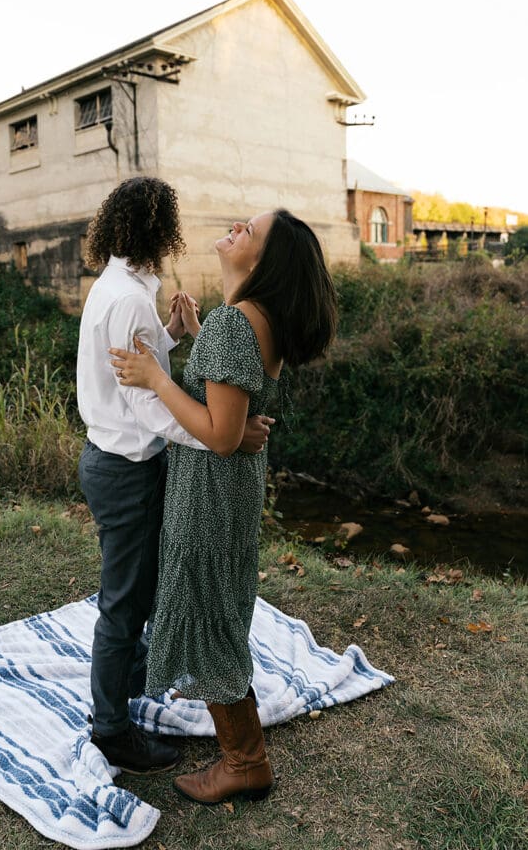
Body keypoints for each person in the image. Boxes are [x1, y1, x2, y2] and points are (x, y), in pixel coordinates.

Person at [110, 208, 338, 803]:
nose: (236, 228)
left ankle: (245, 760)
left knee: (207, 604)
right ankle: (242, 754)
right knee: (217, 600)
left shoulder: (234, 326)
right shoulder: (252, 320)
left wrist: (156, 377)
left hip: (211, 487)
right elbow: (233, 416)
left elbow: (218, 434)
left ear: (262, 260)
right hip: (231, 486)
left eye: (249, 231)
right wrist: (198, 329)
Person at [76, 177, 275, 775]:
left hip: (119, 461)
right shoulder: (127, 297)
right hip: (126, 468)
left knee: (144, 591)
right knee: (124, 604)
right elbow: (143, 403)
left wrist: (171, 335)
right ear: (160, 231)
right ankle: (112, 728)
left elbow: (137, 371)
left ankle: (135, 681)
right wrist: (226, 433)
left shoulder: (124, 289)